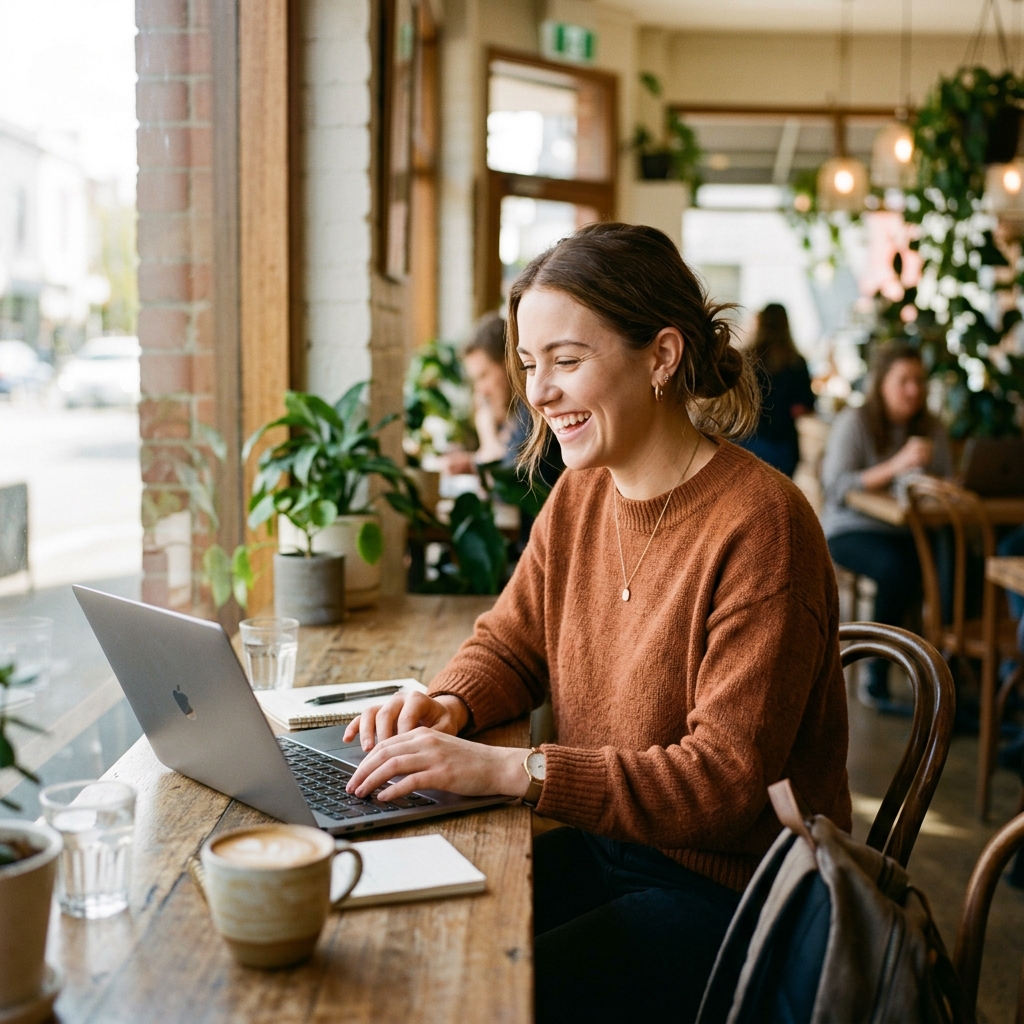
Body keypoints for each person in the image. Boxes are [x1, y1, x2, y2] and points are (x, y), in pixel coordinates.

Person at [342, 223, 851, 1023]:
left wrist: (512, 770)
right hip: (608, 847)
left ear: (661, 356)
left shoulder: (763, 525)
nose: (539, 393)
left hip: (731, 898)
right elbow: (512, 641)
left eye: (567, 360)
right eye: (528, 363)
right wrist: (448, 704)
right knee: (414, 949)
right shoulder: (581, 495)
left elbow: (721, 784)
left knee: (462, 999)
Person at [821, 342, 953, 708]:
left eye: (919, 381)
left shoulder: (931, 427)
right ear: (881, 384)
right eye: (904, 381)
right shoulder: (856, 422)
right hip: (851, 528)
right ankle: (875, 673)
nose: (914, 390)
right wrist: (898, 464)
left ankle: (949, 667)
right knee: (897, 569)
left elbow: (947, 481)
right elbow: (836, 486)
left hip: (908, 530)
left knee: (957, 561)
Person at [739, 303, 816, 477]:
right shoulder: (795, 362)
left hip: (749, 439)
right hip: (783, 443)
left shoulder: (746, 360)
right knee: (781, 491)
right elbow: (803, 405)